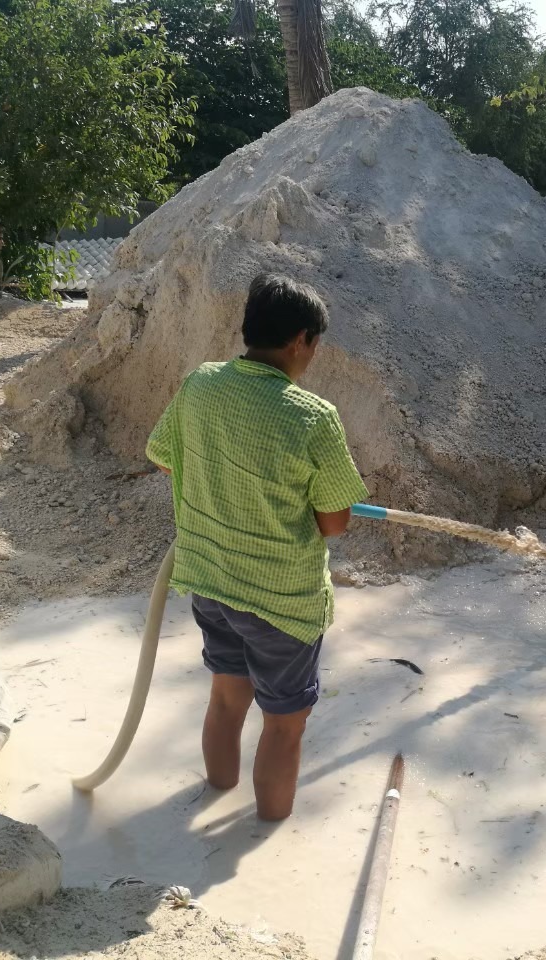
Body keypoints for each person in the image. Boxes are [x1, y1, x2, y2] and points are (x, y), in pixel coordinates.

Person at [146, 273, 369, 820]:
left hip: (210, 581)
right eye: (315, 343)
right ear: (300, 340)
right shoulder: (313, 416)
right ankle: (266, 837)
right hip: (280, 602)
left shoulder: (200, 384)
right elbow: (334, 523)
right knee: (284, 725)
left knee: (226, 699)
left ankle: (216, 791)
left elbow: (165, 457)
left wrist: (226, 484)